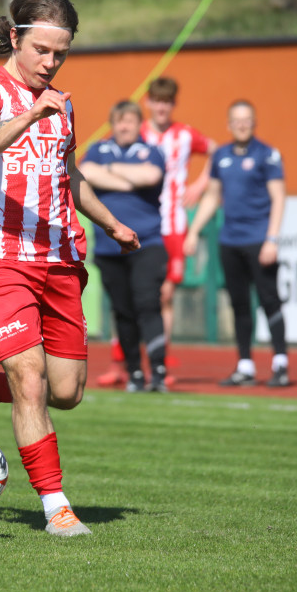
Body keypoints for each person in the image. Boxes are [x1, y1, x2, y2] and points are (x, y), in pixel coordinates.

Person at [0, 0, 139, 537]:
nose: (50, 63)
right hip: (0, 258)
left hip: (60, 258)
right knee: (31, 380)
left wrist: (109, 222)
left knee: (67, 392)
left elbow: (70, 174)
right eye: (41, 50)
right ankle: (56, 507)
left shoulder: (63, 104)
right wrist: (31, 112)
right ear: (14, 38)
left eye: (60, 54)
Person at [99, 77, 217, 389]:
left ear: (173, 104)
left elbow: (218, 152)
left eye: (168, 101)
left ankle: (157, 364)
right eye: (157, 100)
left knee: (160, 297)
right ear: (148, 102)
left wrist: (200, 184)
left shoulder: (185, 134)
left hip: (171, 225)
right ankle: (121, 364)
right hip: (138, 225)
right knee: (124, 300)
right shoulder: (136, 131)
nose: (162, 107)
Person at [183, 99, 289, 387]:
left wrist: (272, 239)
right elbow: (212, 196)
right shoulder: (221, 156)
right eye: (237, 120)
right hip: (229, 241)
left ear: (254, 123)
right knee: (239, 304)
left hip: (259, 241)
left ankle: (280, 363)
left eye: (247, 120)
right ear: (229, 125)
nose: (242, 125)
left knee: (269, 301)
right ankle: (245, 365)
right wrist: (193, 231)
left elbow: (278, 197)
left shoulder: (268, 155)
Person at [79, 100, 168, 392]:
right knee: (123, 311)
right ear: (113, 124)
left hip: (147, 243)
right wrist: (128, 177)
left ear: (138, 124)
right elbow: (86, 172)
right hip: (109, 247)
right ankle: (135, 373)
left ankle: (158, 370)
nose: (124, 126)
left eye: (130, 121)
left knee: (147, 304)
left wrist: (112, 171)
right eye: (120, 121)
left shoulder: (151, 151)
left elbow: (150, 176)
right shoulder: (98, 149)